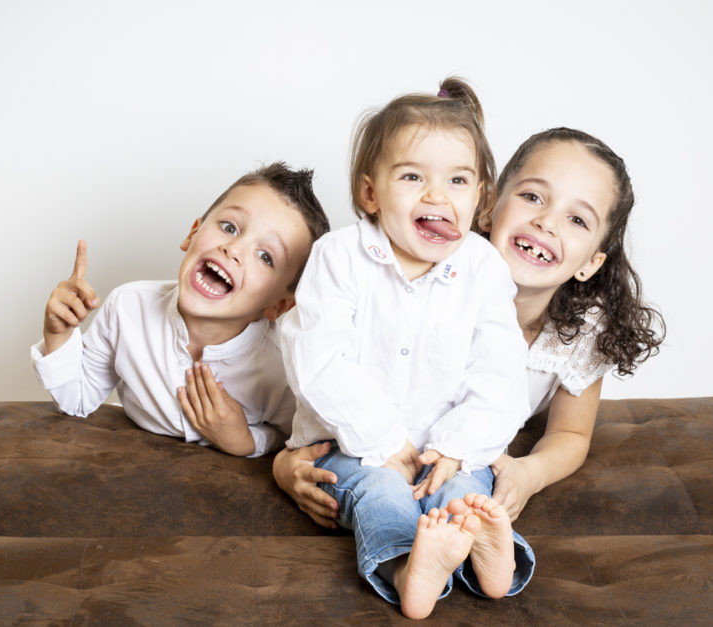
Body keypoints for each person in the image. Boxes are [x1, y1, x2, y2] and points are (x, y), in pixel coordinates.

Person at [274, 127, 664, 525]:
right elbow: (318, 375)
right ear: (488, 204)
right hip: (369, 438)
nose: (547, 222)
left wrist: (528, 475)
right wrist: (284, 465)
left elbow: (571, 435)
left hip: (452, 457)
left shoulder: (583, 331)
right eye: (532, 197)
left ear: (591, 263)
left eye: (578, 219)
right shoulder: (411, 271)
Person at [278, 78, 534, 620]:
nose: (437, 196)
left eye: (458, 180)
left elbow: (502, 373)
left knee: (467, 495)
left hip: (448, 452)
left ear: (481, 196)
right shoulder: (338, 257)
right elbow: (319, 360)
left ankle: (490, 554)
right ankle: (405, 568)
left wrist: (459, 447)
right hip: (354, 448)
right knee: (380, 495)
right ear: (370, 193)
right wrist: (380, 440)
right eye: (413, 177)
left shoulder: (483, 268)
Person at [30, 162, 330, 457]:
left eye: (265, 256)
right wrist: (59, 333)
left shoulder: (283, 364)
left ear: (279, 305)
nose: (234, 249)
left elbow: (294, 435)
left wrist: (246, 440)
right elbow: (76, 399)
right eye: (229, 227)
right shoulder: (127, 307)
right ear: (193, 233)